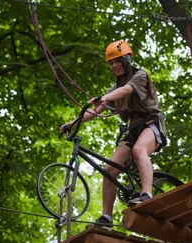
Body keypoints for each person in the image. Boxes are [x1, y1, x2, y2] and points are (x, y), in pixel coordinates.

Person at [60, 40, 167, 228]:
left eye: (117, 61)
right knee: (109, 170)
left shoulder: (139, 75)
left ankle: (146, 194)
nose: (114, 66)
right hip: (133, 129)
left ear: (126, 60)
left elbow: (126, 90)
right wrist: (72, 123)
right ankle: (106, 219)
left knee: (139, 149)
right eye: (111, 63)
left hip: (151, 123)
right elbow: (95, 110)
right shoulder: (114, 89)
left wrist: (104, 97)